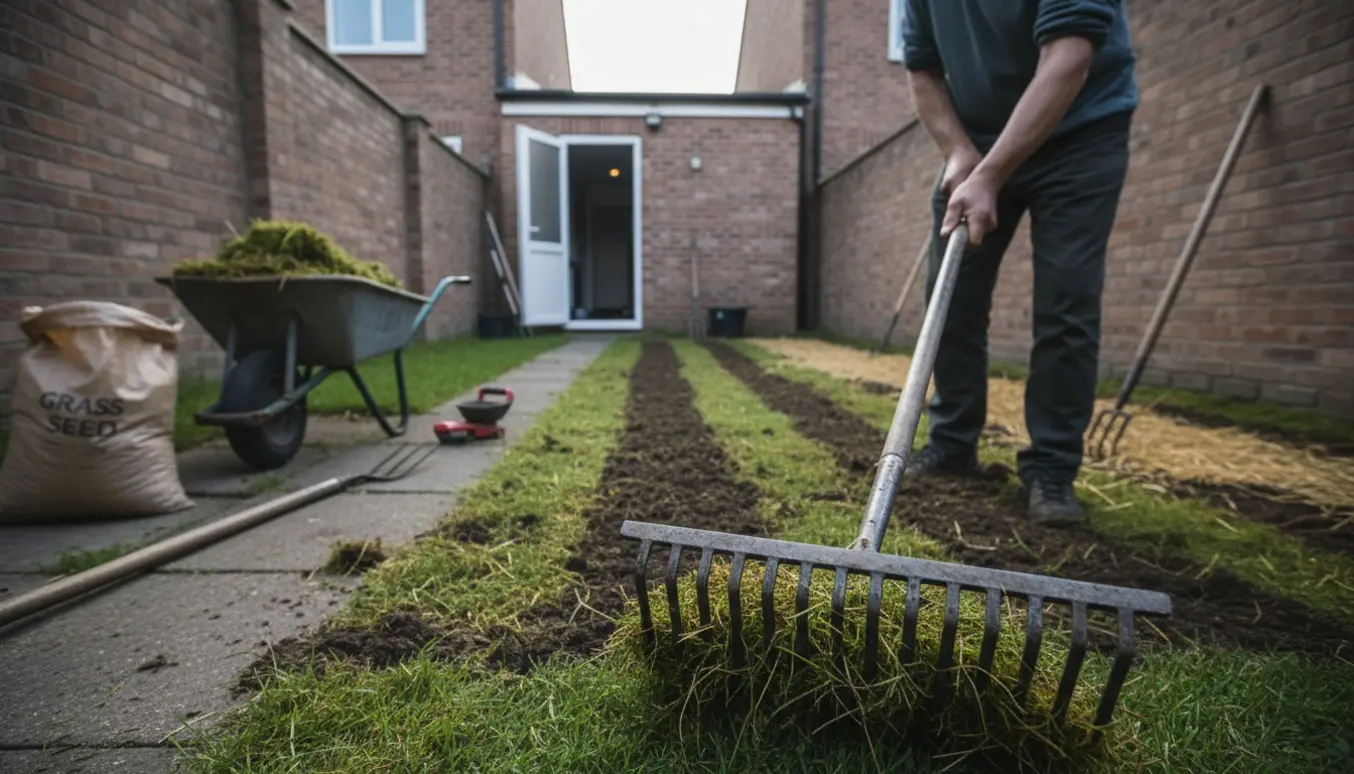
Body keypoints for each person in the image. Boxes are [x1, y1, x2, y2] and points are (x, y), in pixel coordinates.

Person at [898, 0, 1138, 526]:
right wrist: (960, 154)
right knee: (951, 299)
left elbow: (1070, 53)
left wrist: (993, 174)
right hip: (976, 139)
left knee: (1065, 301)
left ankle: (1051, 469)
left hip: (1081, 128)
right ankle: (952, 443)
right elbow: (922, 66)